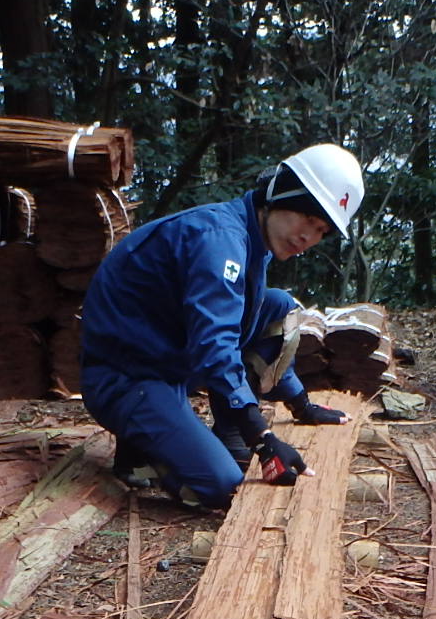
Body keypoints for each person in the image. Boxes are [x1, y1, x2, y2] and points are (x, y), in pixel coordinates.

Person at [77, 143, 366, 508]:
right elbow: (216, 346)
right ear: (280, 194)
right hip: (127, 380)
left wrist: (301, 404)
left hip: (167, 361)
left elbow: (235, 327)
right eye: (309, 219)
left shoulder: (250, 239)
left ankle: (225, 433)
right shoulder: (219, 240)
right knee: (219, 485)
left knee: (277, 305)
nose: (309, 238)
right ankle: (143, 453)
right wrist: (262, 437)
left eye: (322, 230)